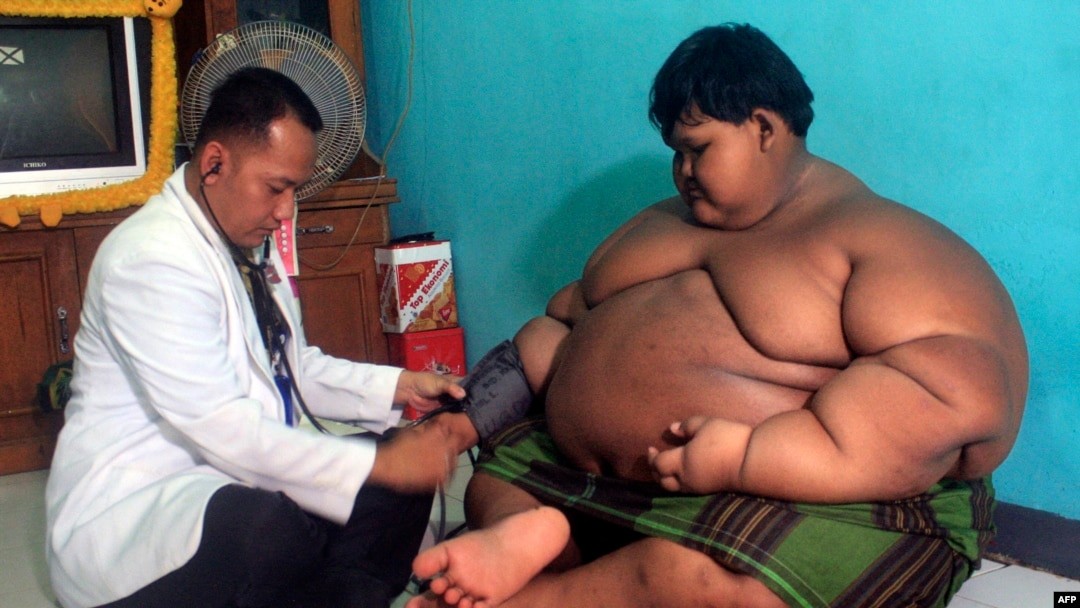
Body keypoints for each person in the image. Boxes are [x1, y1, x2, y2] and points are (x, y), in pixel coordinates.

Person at [406, 23, 1028, 608]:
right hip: (602, 481)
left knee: (710, 583)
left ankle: (542, 597)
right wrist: (465, 420)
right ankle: (528, 533)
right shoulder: (660, 223)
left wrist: (748, 456)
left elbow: (955, 393)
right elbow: (556, 331)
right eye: (675, 153)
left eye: (697, 149)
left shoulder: (880, 241)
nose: (683, 172)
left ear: (764, 128)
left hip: (792, 494)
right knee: (494, 481)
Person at [45, 67, 473, 608]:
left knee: (393, 482)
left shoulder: (245, 243)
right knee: (272, 527)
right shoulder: (149, 259)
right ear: (214, 163)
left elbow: (293, 366)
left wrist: (402, 386)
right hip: (134, 513)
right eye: (276, 188)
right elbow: (223, 428)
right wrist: (379, 465)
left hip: (233, 481)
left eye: (295, 190)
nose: (286, 211)